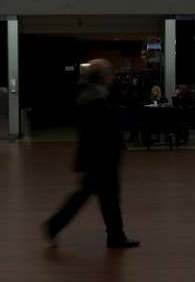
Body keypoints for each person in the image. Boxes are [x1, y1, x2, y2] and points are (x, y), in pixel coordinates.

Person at [43, 59, 140, 249]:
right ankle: (114, 236)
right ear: (102, 77)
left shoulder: (91, 96)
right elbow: (100, 132)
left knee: (96, 197)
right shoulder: (93, 99)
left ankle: (114, 235)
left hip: (96, 158)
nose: (112, 76)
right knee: (103, 197)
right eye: (109, 73)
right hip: (101, 159)